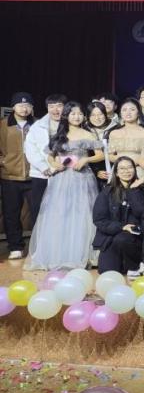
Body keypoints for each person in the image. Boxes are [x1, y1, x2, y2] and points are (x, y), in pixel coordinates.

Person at [26, 101, 102, 271]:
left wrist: (85, 159)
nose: (77, 117)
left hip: (81, 179)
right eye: (73, 113)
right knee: (60, 214)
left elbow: (100, 155)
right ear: (66, 116)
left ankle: (80, 254)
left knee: (82, 214)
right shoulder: (59, 135)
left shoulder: (88, 134)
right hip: (61, 180)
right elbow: (50, 156)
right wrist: (55, 164)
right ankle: (58, 254)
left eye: (80, 114)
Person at [92, 156, 144, 276]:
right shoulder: (107, 192)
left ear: (135, 170)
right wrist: (121, 227)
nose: (126, 171)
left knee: (123, 239)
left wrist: (133, 191)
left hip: (135, 237)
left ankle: (135, 265)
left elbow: (142, 213)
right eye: (122, 168)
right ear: (116, 173)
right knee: (106, 271)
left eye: (129, 167)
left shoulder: (143, 190)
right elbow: (99, 220)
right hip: (111, 237)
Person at [0, 92, 37, 260]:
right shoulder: (3, 125)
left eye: (27, 105)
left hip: (34, 175)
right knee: (11, 213)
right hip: (10, 176)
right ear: (13, 107)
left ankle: (38, 247)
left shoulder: (37, 125)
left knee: (38, 213)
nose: (24, 108)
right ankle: (15, 246)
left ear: (32, 107)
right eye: (20, 105)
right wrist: (4, 161)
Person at [23, 94, 68, 223]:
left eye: (59, 106)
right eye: (51, 106)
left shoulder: (72, 124)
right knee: (38, 208)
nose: (55, 110)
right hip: (41, 174)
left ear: (65, 107)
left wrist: (62, 165)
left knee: (62, 209)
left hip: (65, 173)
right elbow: (30, 149)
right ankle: (37, 235)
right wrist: (44, 167)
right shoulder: (37, 126)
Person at [84, 101, 115, 184]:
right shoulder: (84, 131)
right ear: (88, 116)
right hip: (91, 174)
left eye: (100, 114)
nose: (97, 118)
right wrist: (96, 171)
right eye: (93, 115)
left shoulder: (116, 128)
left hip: (116, 171)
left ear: (105, 114)